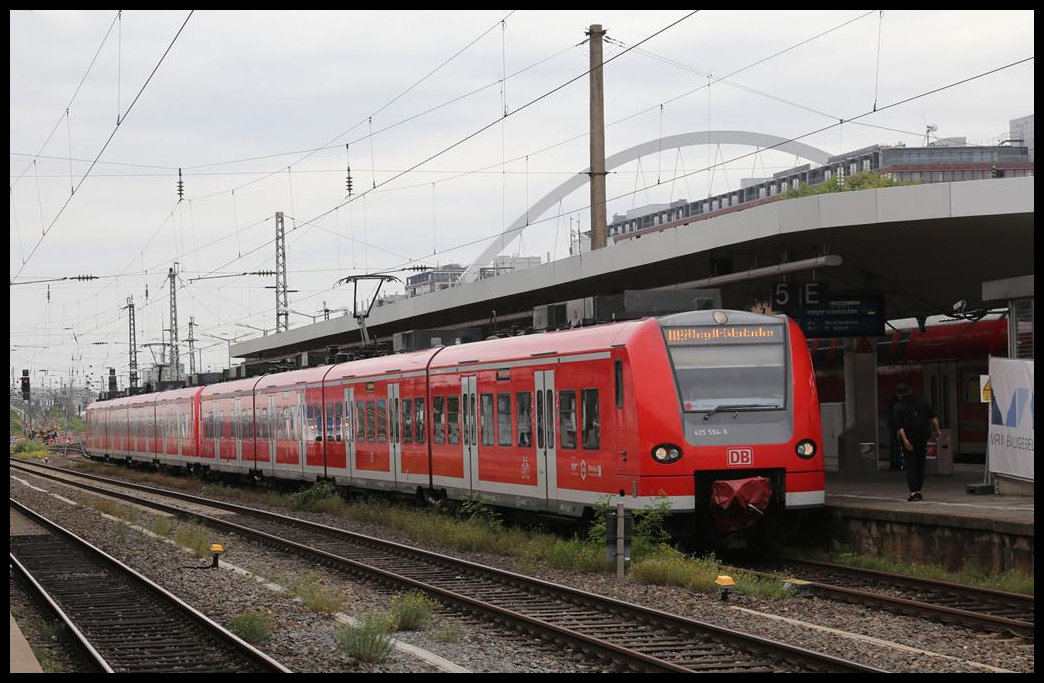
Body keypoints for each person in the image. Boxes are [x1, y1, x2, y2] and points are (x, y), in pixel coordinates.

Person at [893, 383, 941, 502]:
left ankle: (913, 492)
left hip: (909, 437)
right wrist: (937, 431)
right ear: (910, 391)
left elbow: (900, 427)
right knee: (920, 464)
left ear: (899, 395)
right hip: (923, 437)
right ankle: (918, 491)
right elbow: (933, 417)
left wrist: (905, 441)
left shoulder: (899, 406)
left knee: (911, 465)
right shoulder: (923, 402)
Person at [886, 387, 906, 471]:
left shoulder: (893, 402)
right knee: (898, 445)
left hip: (895, 426)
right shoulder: (897, 404)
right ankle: (898, 463)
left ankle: (897, 463)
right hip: (897, 426)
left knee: (896, 445)